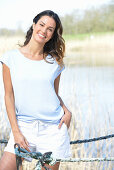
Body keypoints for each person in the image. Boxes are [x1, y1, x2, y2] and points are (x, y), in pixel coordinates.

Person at [0, 10, 72, 170]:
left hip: (53, 129)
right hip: (24, 126)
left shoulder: (55, 62)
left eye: (50, 29)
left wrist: (66, 110)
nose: (44, 31)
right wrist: (16, 132)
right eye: (42, 25)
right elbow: (9, 96)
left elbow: (53, 93)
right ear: (34, 25)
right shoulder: (10, 58)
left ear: (53, 35)